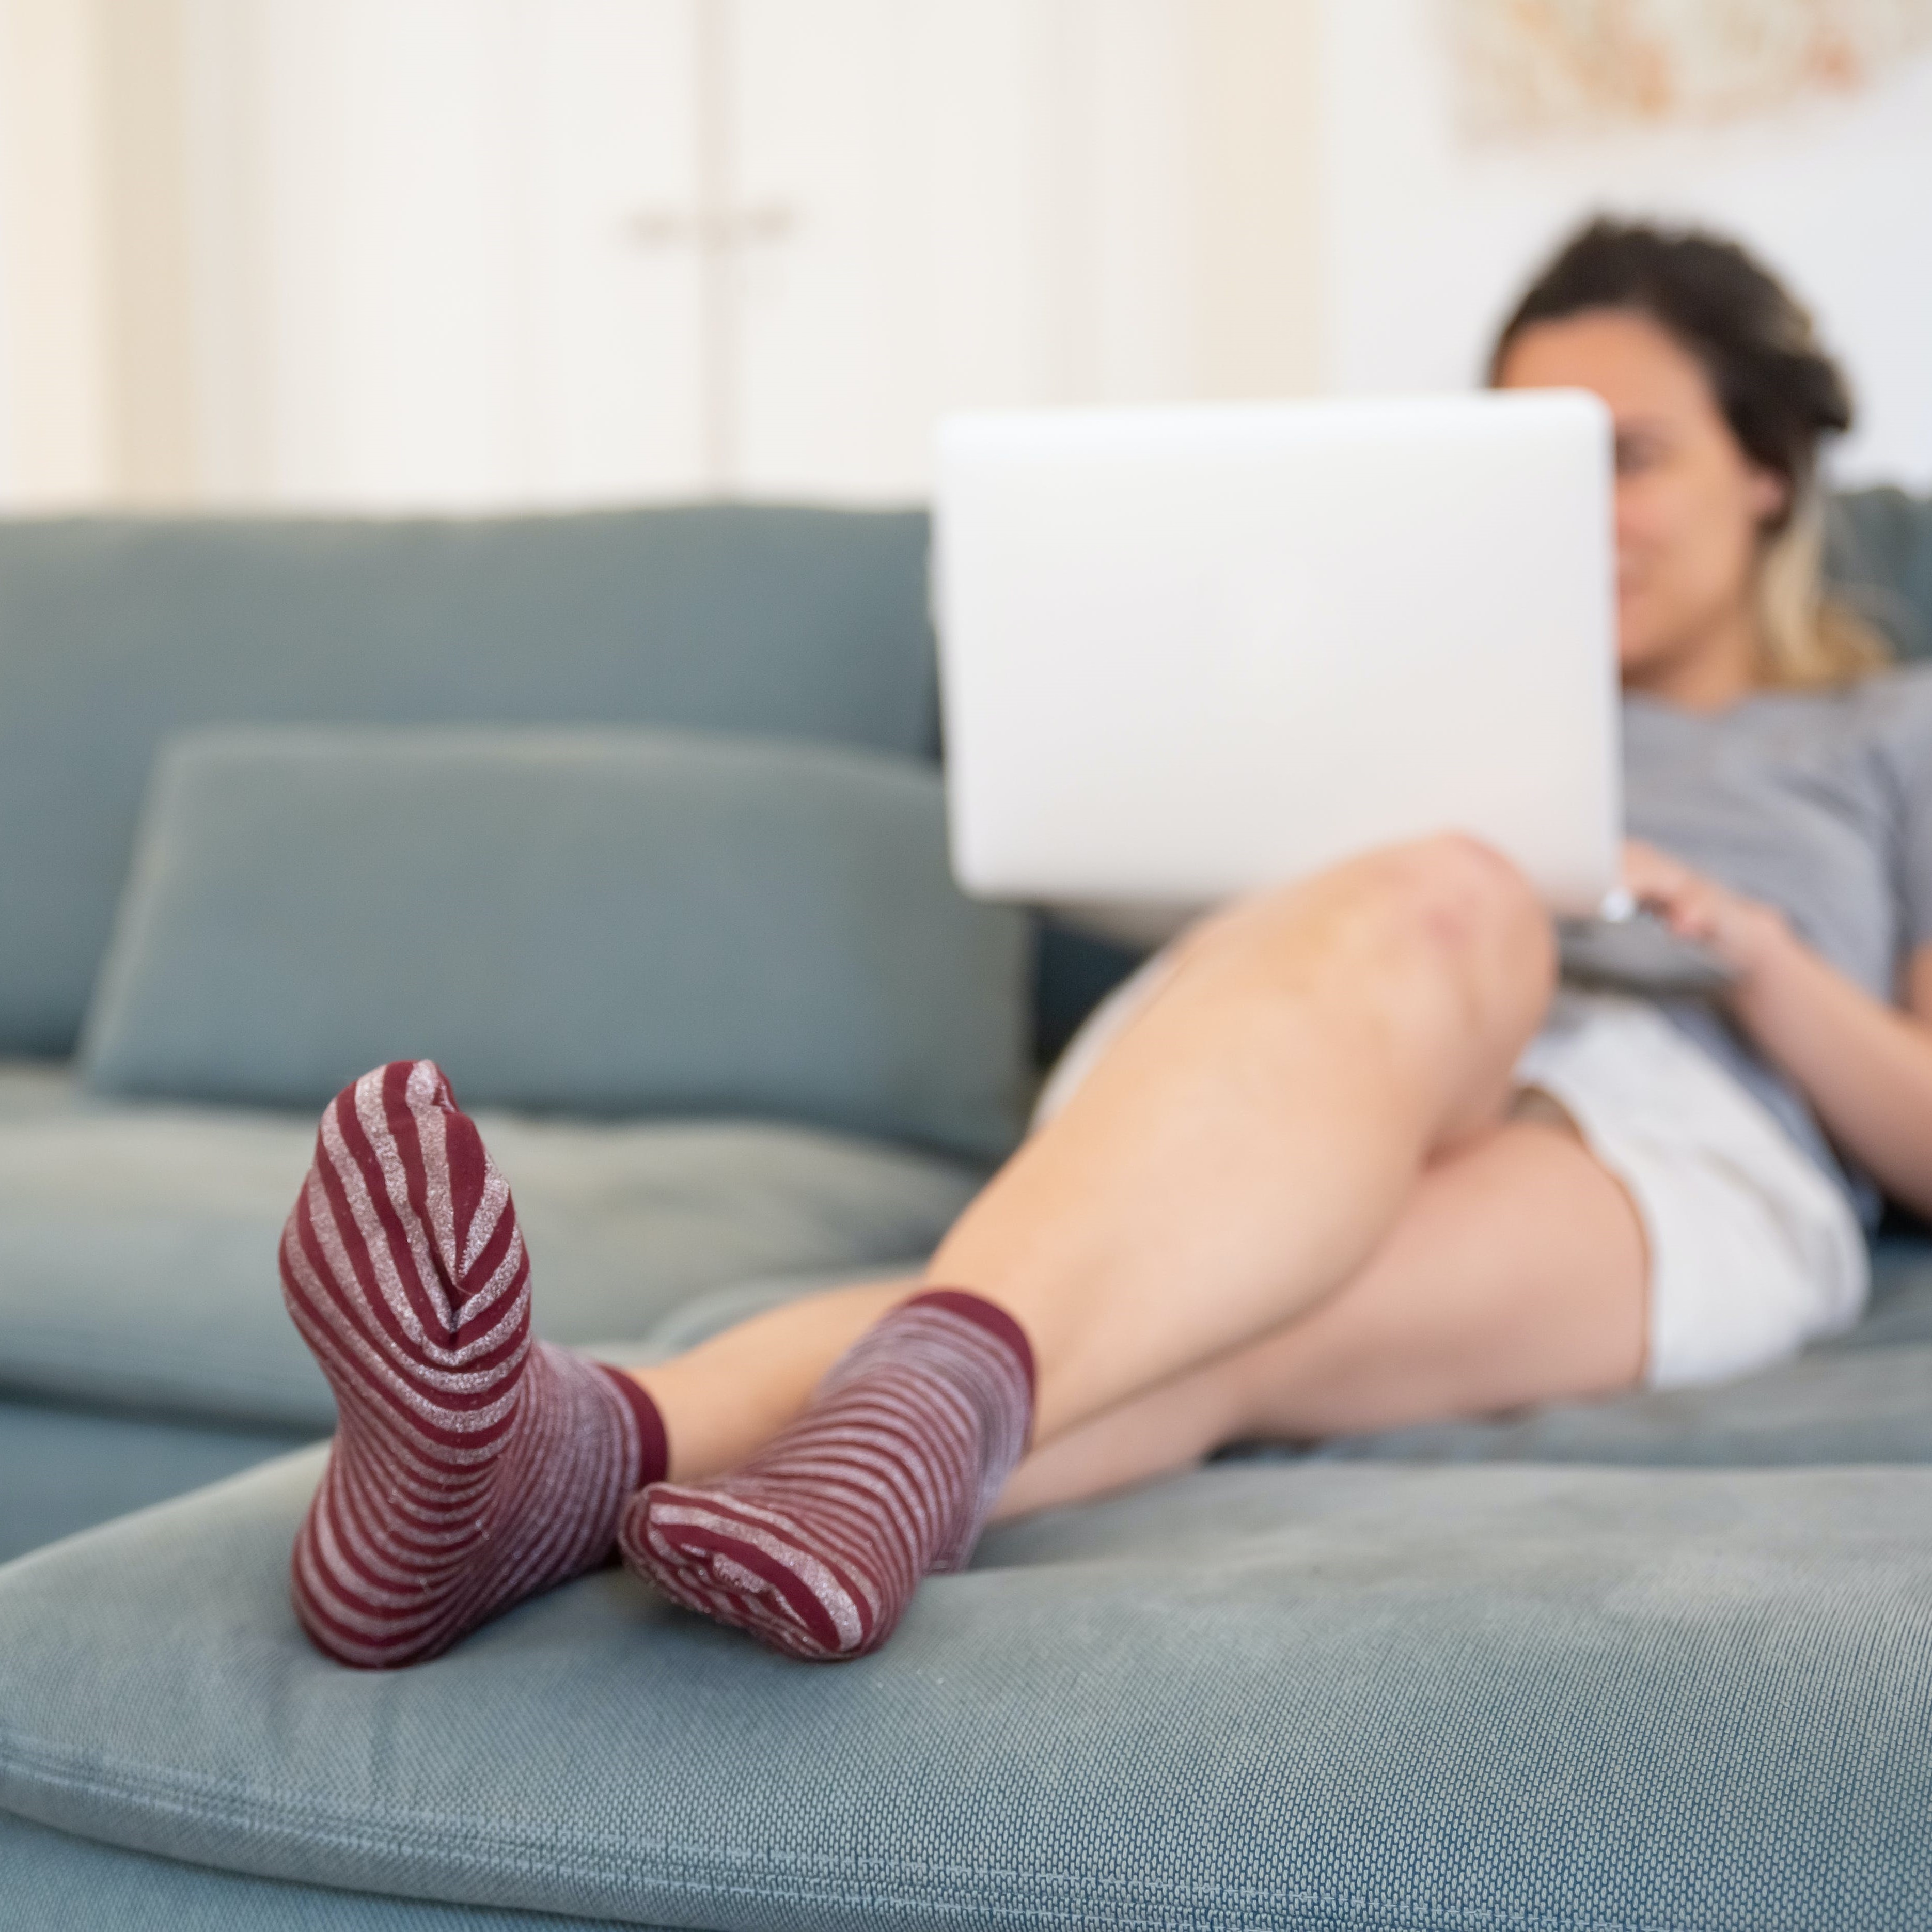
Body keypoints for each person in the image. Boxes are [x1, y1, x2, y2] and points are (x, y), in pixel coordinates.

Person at [280, 219, 1932, 1671]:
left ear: (1766, 467)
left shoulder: (1887, 732)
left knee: (1224, 1316)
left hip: (1658, 1123)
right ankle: (708, 1456)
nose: (1590, 516)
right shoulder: (1414, 671)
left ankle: (556, 1460)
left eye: (1630, 457)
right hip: (1321, 1026)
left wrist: (1755, 951)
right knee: (1448, 896)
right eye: (1541, 464)